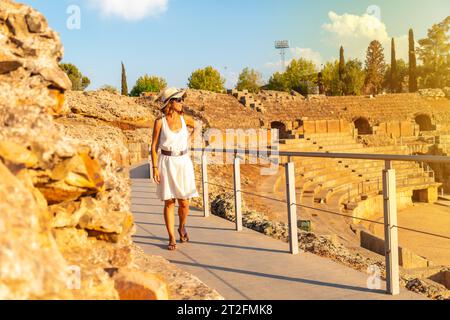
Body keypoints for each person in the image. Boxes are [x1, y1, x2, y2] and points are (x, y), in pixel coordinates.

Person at [151, 87, 199, 251]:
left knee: (184, 203)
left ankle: (182, 226)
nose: (181, 103)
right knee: (169, 202)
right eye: (178, 100)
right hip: (166, 162)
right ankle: (171, 237)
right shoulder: (160, 122)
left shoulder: (185, 119)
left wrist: (189, 141)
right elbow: (153, 146)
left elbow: (197, 127)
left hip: (183, 162)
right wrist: (155, 167)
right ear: (170, 102)